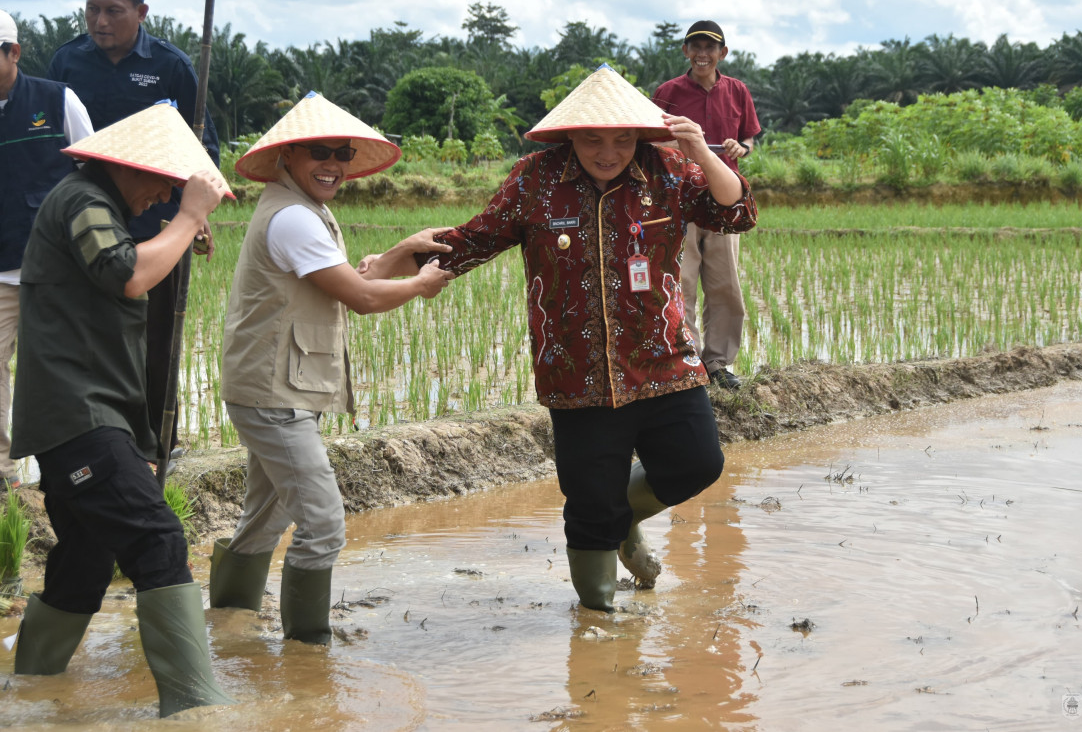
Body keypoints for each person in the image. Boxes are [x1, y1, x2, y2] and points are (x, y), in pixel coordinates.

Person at [366, 66, 757, 612]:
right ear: (568, 134)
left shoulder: (667, 168)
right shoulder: (536, 180)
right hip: (576, 372)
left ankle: (618, 522)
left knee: (698, 462)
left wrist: (699, 148)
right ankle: (598, 621)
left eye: (622, 138)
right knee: (589, 502)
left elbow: (736, 211)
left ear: (640, 136)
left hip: (664, 359)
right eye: (593, 138)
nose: (608, 151)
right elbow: (475, 239)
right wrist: (394, 263)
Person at [9, 101, 235, 717]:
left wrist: (181, 226)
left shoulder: (94, 204)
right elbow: (127, 274)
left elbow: (127, 260)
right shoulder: (82, 199)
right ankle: (199, 711)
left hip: (76, 417)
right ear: (134, 165)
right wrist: (187, 217)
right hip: (79, 416)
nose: (163, 192)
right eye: (164, 180)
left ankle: (26, 691)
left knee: (85, 562)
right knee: (157, 537)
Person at [209, 92, 454, 644]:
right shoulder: (292, 217)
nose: (334, 164)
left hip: (276, 388)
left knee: (266, 517)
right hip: (273, 396)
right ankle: (308, 647)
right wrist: (418, 283)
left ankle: (227, 618)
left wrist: (400, 253)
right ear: (287, 157)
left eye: (342, 153)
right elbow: (362, 298)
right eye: (320, 151)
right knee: (321, 525)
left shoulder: (303, 209)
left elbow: (347, 276)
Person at [47, 0, 220, 462]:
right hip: (87, 221)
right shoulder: (67, 63)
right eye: (92, 10)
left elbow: (201, 147)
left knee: (157, 330)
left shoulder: (171, 66)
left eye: (113, 11)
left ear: (141, 12)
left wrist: (196, 214)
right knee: (90, 329)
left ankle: (160, 442)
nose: (100, 21)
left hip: (157, 219)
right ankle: (100, 439)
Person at [0, 9, 94, 489]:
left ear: (12, 53)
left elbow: (93, 173)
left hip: (54, 269)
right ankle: (4, 475)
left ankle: (69, 471)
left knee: (60, 371)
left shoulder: (57, 101)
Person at [652, 20, 761, 390]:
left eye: (710, 48)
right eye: (695, 47)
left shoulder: (737, 91)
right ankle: (689, 360)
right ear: (686, 51)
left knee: (725, 284)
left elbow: (748, 139)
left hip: (723, 200)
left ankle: (718, 363)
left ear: (722, 53)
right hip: (680, 198)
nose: (702, 54)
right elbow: (651, 141)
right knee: (681, 282)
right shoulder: (667, 92)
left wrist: (740, 147)